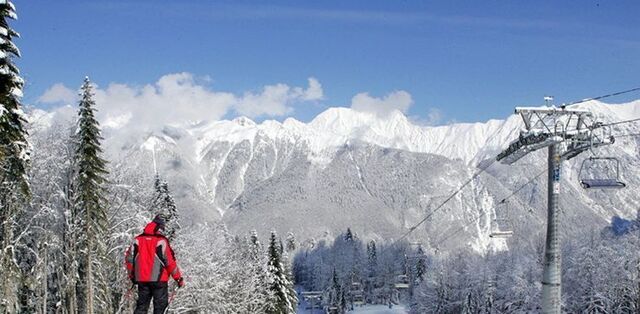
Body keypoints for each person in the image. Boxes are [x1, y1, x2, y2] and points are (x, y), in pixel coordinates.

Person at [125, 215, 184, 314]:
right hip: (159, 280)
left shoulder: (137, 240)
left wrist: (132, 275)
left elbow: (129, 259)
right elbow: (169, 262)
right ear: (159, 228)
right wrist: (178, 278)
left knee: (141, 307)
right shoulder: (161, 241)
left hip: (142, 279)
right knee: (160, 309)